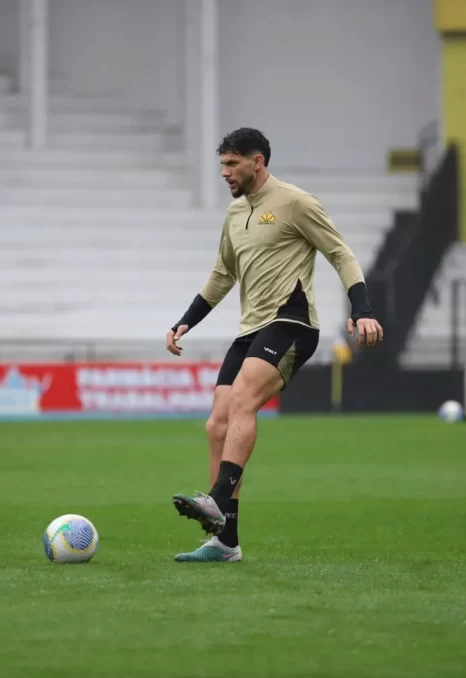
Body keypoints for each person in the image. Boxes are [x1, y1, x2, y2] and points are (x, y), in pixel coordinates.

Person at [164, 128, 383, 562]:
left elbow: (341, 253)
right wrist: (186, 321)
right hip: (251, 330)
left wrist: (362, 308)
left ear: (257, 161)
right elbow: (222, 275)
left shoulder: (296, 202)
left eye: (232, 164)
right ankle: (225, 542)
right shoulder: (234, 214)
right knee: (217, 426)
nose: (225, 173)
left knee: (243, 398)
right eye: (222, 164)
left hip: (292, 322)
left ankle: (216, 499)